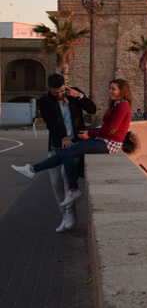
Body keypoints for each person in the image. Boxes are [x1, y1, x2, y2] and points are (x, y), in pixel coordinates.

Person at [12, 79, 133, 208]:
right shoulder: (118, 104)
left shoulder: (123, 106)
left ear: (122, 90)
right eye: (110, 88)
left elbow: (111, 129)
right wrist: (89, 133)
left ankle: (71, 188)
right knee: (67, 152)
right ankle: (32, 169)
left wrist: (89, 134)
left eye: (113, 89)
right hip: (104, 140)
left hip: (110, 143)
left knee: (67, 153)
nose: (110, 91)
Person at [36, 74, 97, 233]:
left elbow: (92, 109)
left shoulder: (74, 94)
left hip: (75, 144)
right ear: (49, 89)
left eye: (61, 91)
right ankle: (66, 215)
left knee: (65, 174)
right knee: (56, 183)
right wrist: (63, 137)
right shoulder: (44, 100)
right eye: (55, 93)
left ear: (65, 85)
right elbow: (51, 123)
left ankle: (70, 212)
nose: (59, 95)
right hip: (57, 145)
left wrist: (80, 96)